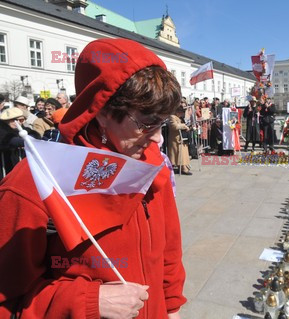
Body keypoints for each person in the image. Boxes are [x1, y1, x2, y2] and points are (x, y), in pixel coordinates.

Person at [0, 38, 186, 318]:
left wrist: (171, 307)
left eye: (162, 123)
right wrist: (87, 301)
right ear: (102, 112)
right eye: (147, 123)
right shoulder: (36, 181)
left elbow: (169, 252)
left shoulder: (152, 164)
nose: (158, 138)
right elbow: (7, 297)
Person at [0, 107, 40, 178]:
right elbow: (11, 141)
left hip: (19, 167)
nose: (20, 123)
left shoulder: (22, 129)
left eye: (22, 120)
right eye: (19, 120)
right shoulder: (2, 130)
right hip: (5, 168)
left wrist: (30, 138)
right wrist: (24, 140)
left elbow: (35, 135)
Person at [167, 105, 192, 175]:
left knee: (182, 153)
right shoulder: (172, 117)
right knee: (177, 154)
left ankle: (183, 167)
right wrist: (184, 126)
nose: (181, 114)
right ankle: (181, 168)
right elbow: (174, 126)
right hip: (175, 138)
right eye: (180, 112)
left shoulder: (179, 117)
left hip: (181, 138)